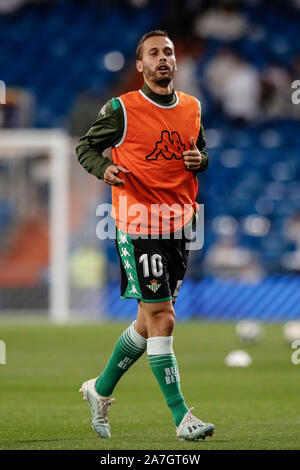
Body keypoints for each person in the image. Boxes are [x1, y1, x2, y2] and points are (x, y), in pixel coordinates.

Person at [76, 30, 214, 442]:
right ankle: (181, 417)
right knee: (164, 319)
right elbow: (86, 147)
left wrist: (199, 159)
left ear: (176, 61)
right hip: (137, 225)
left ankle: (98, 390)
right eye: (153, 53)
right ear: (140, 66)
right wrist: (105, 169)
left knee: (145, 323)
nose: (163, 58)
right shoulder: (122, 109)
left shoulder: (192, 107)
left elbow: (200, 151)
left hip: (180, 225)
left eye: (168, 52)